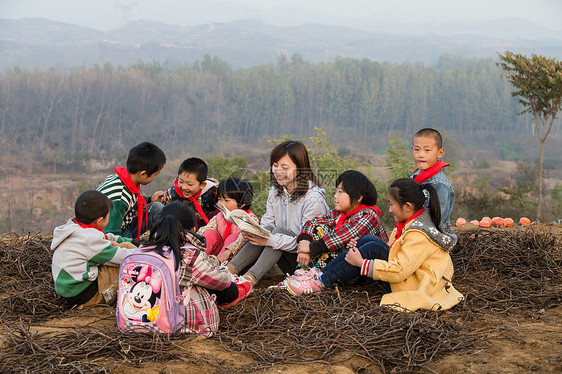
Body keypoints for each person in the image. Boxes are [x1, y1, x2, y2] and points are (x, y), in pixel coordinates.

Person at [285, 178, 464, 312]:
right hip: (411, 276)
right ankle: (319, 276)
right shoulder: (410, 224)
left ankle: (322, 282)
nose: (389, 209)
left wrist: (363, 264)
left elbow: (401, 269)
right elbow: (394, 251)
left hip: (415, 285)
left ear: (408, 207)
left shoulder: (418, 234)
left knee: (373, 248)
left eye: (392, 204)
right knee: (369, 241)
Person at [226, 140, 329, 287]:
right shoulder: (276, 190)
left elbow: (310, 243)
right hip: (283, 254)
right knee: (266, 231)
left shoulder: (313, 199)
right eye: (275, 166)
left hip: (307, 263)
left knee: (278, 233)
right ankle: (228, 271)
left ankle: (249, 279)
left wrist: (270, 240)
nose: (278, 172)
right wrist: (253, 231)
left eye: (284, 167)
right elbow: (268, 224)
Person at [143, 202, 252, 336]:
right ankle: (238, 290)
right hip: (181, 323)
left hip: (143, 315)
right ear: (193, 229)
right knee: (216, 283)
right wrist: (216, 265)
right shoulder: (189, 255)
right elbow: (222, 280)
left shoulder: (143, 250)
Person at [51, 190, 137, 308]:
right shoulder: (89, 240)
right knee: (129, 265)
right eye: (108, 216)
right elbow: (121, 257)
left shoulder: (74, 228)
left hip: (70, 291)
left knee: (123, 247)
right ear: (100, 220)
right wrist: (145, 253)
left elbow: (107, 238)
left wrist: (131, 242)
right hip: (86, 297)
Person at [294, 170, 388, 272]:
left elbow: (344, 235)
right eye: (336, 191)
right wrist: (305, 241)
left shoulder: (369, 215)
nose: (335, 196)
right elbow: (312, 223)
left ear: (359, 197)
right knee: (320, 229)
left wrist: (311, 247)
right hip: (342, 266)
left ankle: (316, 277)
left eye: (340, 192)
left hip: (362, 271)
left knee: (336, 246)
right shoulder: (339, 214)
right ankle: (303, 273)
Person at [96, 142, 166, 241]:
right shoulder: (119, 198)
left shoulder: (126, 179)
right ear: (143, 174)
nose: (155, 178)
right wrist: (132, 245)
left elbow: (133, 201)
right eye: (155, 174)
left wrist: (150, 199)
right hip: (109, 233)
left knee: (157, 208)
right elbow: (110, 235)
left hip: (123, 222)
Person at [197, 177, 258, 263]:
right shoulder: (220, 216)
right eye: (219, 200)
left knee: (233, 237)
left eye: (226, 200)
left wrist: (227, 252)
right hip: (217, 257)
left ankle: (219, 269)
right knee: (210, 233)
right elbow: (207, 229)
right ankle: (198, 262)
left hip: (238, 260)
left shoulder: (250, 219)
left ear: (242, 203)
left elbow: (242, 240)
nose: (221, 204)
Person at [409, 128, 455, 231]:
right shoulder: (415, 177)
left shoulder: (440, 185)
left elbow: (437, 221)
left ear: (440, 153)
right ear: (412, 150)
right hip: (414, 229)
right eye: (417, 149)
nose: (420, 155)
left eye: (427, 150)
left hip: (433, 236)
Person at [159, 157, 219, 229]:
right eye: (181, 182)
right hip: (182, 229)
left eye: (189, 184)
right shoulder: (172, 193)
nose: (184, 187)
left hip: (209, 227)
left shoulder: (213, 192)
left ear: (202, 185)